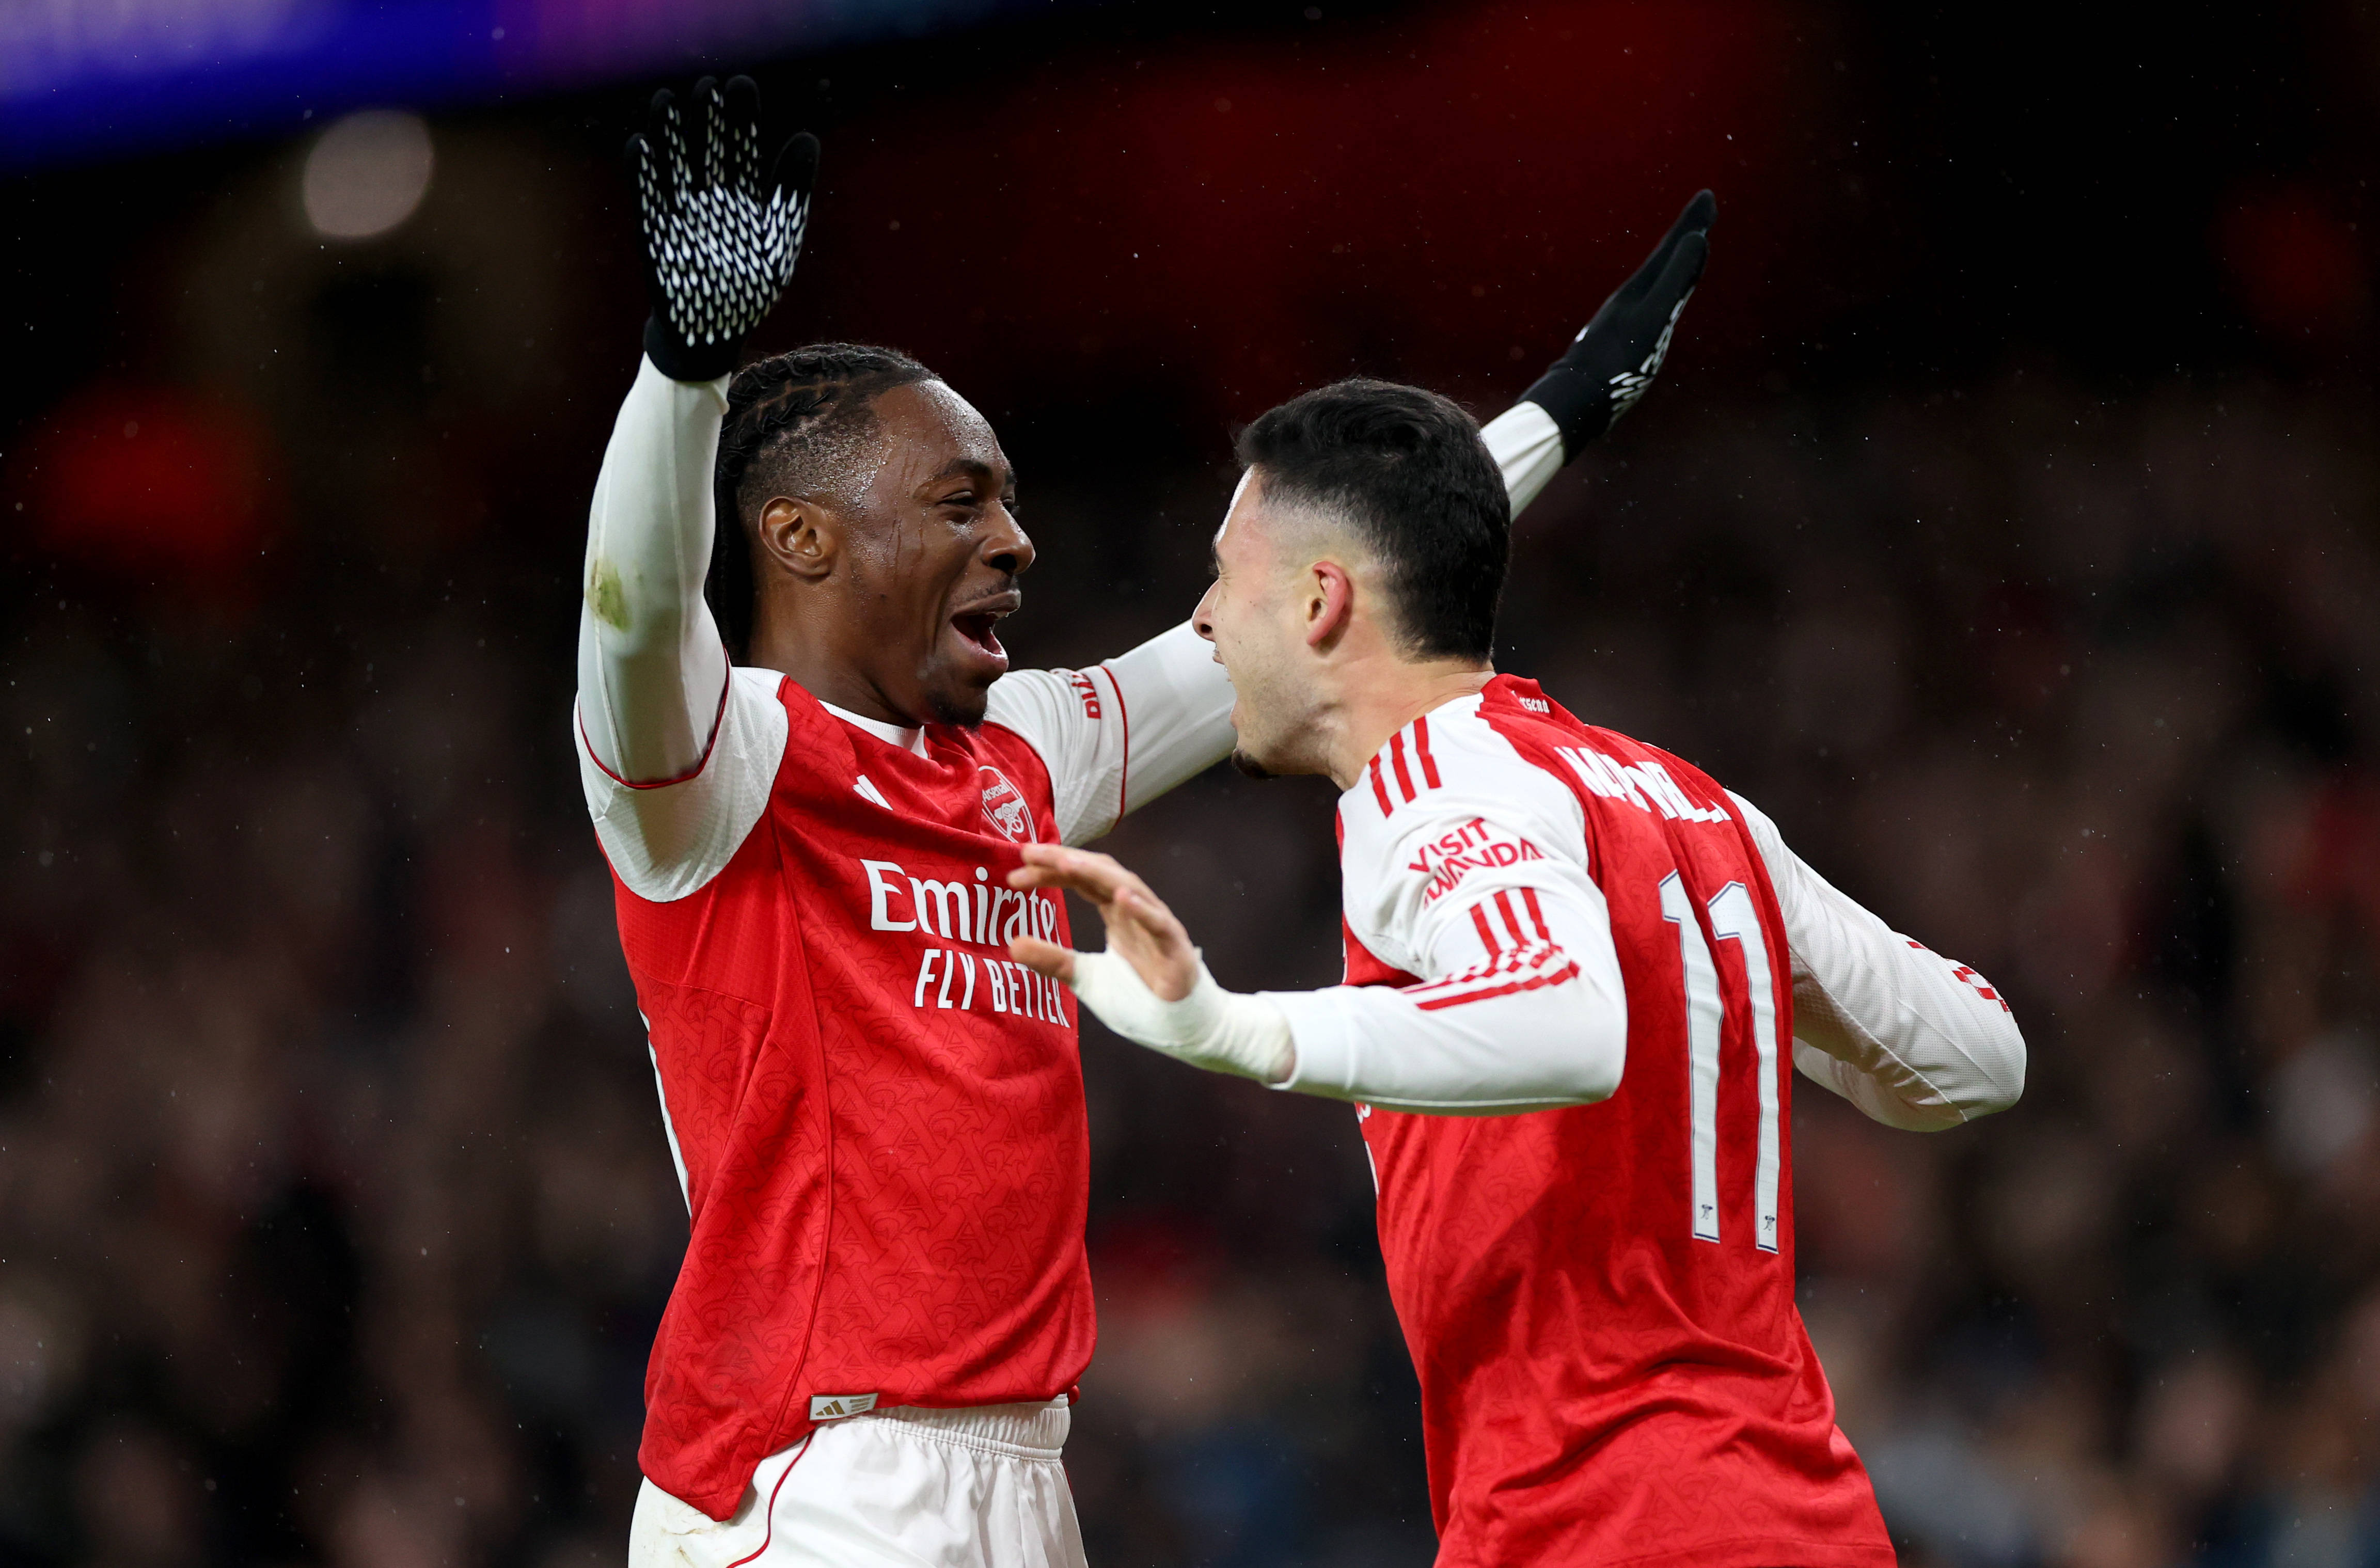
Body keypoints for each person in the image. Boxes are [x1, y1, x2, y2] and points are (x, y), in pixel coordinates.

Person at [587, 77, 1716, 1566]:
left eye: (1007, 502)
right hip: (811, 1479)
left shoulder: (1024, 745)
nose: (1015, 540)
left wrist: (1560, 411)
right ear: (799, 536)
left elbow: (1315, 598)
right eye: (960, 503)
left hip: (1022, 1467)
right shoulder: (714, 768)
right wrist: (682, 371)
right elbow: (633, 612)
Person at [1007, 378, 2029, 1565]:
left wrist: (1234, 1029)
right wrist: (1715, 986)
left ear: (1320, 600)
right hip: (1801, 1514)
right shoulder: (1688, 803)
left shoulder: (1428, 783)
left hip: (1603, 1522)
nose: (1202, 623)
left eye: (1224, 581)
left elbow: (1565, 1024)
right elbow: (1980, 1056)